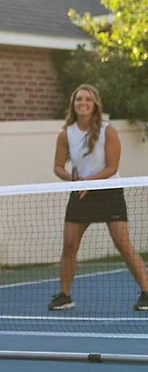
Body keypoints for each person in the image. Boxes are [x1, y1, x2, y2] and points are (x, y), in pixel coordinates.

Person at [49, 83, 148, 312]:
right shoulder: (66, 134)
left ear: (95, 105)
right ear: (73, 105)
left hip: (109, 192)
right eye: (78, 100)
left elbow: (112, 167)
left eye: (87, 100)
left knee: (123, 244)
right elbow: (58, 167)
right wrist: (73, 179)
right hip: (81, 193)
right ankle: (64, 296)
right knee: (70, 244)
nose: (82, 103)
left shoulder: (108, 131)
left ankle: (146, 291)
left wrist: (88, 183)